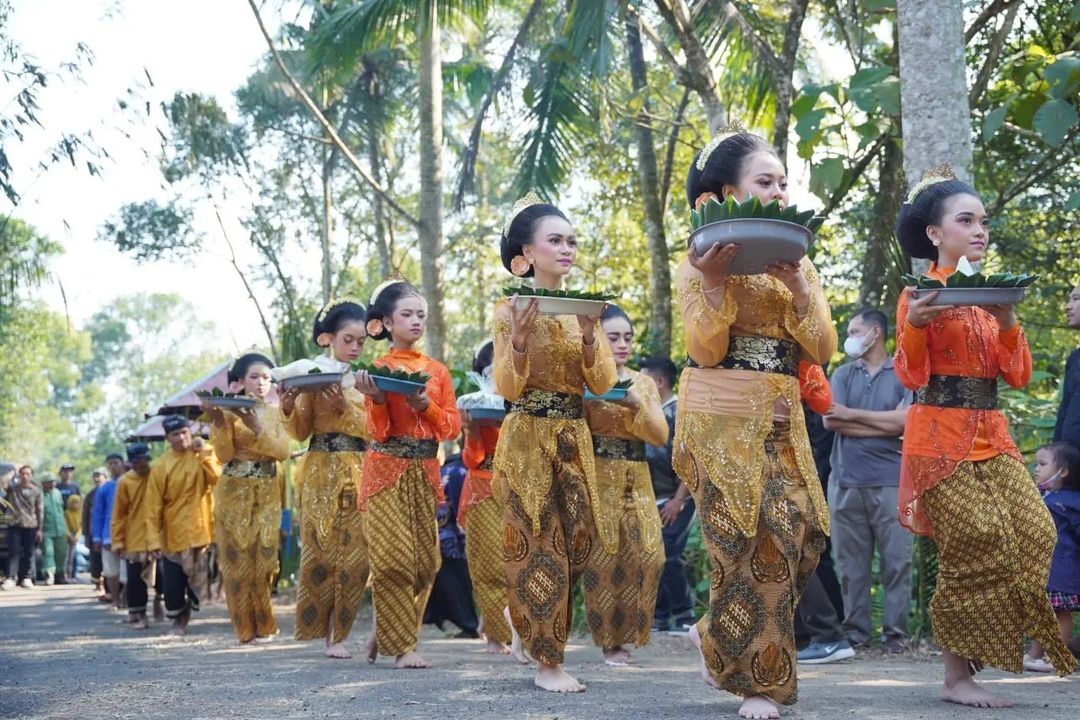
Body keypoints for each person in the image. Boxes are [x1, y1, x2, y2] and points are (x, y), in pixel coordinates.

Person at [894, 165, 1075, 708]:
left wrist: (1010, 318)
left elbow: (1017, 375)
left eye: (983, 221)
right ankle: (956, 678)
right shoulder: (918, 294)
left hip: (993, 436)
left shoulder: (994, 294)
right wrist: (917, 325)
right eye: (966, 220)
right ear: (935, 234)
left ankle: (981, 646)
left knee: (1037, 532)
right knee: (970, 542)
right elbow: (910, 374)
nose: (979, 231)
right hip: (937, 439)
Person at [675, 123, 836, 719]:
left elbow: (820, 349)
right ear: (724, 195)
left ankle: (712, 630)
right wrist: (715, 284)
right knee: (747, 542)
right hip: (717, 417)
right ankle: (758, 684)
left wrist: (799, 290)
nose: (779, 191)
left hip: (781, 416)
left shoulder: (797, 260)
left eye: (782, 182)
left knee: (801, 536)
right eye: (764, 182)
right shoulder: (698, 259)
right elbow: (706, 349)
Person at [491, 194, 617, 692]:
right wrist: (519, 341)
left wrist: (590, 336)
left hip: (573, 437)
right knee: (540, 545)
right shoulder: (509, 308)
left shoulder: (583, 309)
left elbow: (603, 383)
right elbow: (506, 387)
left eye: (571, 241)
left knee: (580, 542)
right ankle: (549, 662)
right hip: (525, 437)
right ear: (527, 251)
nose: (566, 249)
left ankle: (524, 618)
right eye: (555, 240)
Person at [355, 280, 461, 669]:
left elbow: (451, 428)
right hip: (384, 472)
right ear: (386, 322)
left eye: (421, 315)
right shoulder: (375, 371)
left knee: (425, 563)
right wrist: (379, 398)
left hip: (425, 472)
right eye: (407, 314)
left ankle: (382, 631)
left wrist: (426, 406)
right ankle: (402, 648)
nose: (416, 321)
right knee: (392, 561)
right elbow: (377, 431)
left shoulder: (438, 371)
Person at [280, 298, 371, 659]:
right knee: (319, 552)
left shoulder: (364, 381)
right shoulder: (311, 375)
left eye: (361, 341)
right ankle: (319, 629)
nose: (355, 347)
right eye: (348, 339)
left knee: (355, 558)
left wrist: (343, 408)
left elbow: (374, 430)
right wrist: (288, 405)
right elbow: (300, 432)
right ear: (328, 339)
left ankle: (340, 633)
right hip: (318, 469)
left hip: (359, 468)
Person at [821, 309, 912, 653]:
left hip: (892, 482)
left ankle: (896, 636)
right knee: (850, 565)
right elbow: (831, 421)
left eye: (855, 330)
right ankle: (856, 633)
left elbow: (906, 423)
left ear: (876, 332)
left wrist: (851, 416)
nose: (850, 336)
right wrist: (885, 423)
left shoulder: (905, 374)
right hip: (844, 482)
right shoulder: (843, 373)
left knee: (897, 562)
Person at [582, 305, 668, 665]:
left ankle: (630, 633)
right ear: (598, 338)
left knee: (652, 555)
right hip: (597, 473)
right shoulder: (584, 379)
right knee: (602, 558)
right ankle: (609, 643)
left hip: (637, 474)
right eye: (613, 337)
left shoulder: (644, 383)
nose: (622, 345)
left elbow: (660, 436)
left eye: (628, 338)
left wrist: (634, 404)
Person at [204, 352, 291, 645]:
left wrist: (256, 425)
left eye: (267, 377)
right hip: (234, 489)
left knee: (265, 558)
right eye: (254, 377)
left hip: (267, 489)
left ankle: (265, 625)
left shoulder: (276, 412)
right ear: (239, 382)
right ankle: (244, 629)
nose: (261, 383)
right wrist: (217, 419)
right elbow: (224, 455)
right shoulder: (228, 412)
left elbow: (281, 452)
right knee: (236, 559)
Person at [794, 363, 854, 665]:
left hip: (813, 485)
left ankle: (828, 633)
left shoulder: (814, 393)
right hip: (808, 484)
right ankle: (804, 632)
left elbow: (817, 449)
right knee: (809, 556)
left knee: (803, 554)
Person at [458, 341, 515, 656]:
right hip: (482, 486)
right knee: (490, 564)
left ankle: (498, 622)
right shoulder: (474, 402)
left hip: (521, 487)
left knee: (517, 563)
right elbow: (471, 459)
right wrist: (473, 430)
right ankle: (496, 634)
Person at [146, 415, 222, 636]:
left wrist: (205, 453)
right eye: (174, 434)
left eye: (184, 432)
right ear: (167, 438)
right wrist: (152, 539)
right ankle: (178, 622)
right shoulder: (161, 466)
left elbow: (217, 478)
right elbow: (152, 506)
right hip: (173, 534)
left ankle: (187, 615)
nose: (180, 438)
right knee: (174, 583)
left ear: (191, 432)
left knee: (199, 582)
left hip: (201, 532)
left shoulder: (202, 455)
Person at [640, 355, 696, 635]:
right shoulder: (647, 412)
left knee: (669, 554)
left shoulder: (678, 413)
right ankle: (659, 615)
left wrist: (679, 499)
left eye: (644, 379)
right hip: (651, 496)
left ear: (659, 382)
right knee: (652, 554)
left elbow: (689, 459)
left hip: (677, 496)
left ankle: (684, 614)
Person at [1025, 442, 1080, 671]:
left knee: (1060, 612)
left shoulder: (1069, 502)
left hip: (1063, 567)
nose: (1036, 469)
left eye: (1043, 464)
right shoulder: (1044, 497)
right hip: (1044, 567)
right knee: (1043, 610)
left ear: (1063, 471)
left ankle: (1057, 656)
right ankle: (1035, 655)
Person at [423, 450, 480, 639]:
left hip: (438, 535)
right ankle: (469, 625)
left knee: (447, 583)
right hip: (451, 538)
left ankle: (456, 622)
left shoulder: (449, 470)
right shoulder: (459, 473)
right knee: (458, 585)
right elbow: (459, 510)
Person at [111, 443, 161, 629]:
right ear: (131, 464)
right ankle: (140, 616)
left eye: (144, 463)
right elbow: (118, 515)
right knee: (135, 579)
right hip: (134, 538)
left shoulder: (157, 474)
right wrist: (117, 541)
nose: (141, 467)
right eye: (137, 464)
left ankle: (159, 602)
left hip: (159, 535)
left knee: (162, 576)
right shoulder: (125, 482)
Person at [92, 457, 123, 607]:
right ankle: (116, 599)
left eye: (116, 462)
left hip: (129, 535)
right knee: (111, 571)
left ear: (122, 464)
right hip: (108, 535)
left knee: (128, 572)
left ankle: (127, 599)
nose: (113, 466)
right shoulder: (104, 488)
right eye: (110, 463)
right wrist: (97, 537)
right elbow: (97, 513)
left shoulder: (130, 482)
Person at [4, 466, 42, 589]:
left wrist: (40, 529)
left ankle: (27, 577)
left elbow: (40, 510)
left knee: (29, 553)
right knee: (13, 552)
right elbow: (2, 483)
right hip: (14, 524)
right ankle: (11, 577)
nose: (24, 476)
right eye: (22, 474)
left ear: (31, 476)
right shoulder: (13, 490)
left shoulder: (36, 491)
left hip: (30, 524)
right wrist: (11, 474)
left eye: (27, 474)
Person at [1054, 286, 1080, 447]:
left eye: (1076, 299)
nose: (1067, 306)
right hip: (1071, 461)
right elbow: (1065, 411)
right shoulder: (1075, 358)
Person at [83, 467, 109, 598]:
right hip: (95, 533)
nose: (97, 478)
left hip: (109, 532)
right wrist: (86, 534)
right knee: (96, 561)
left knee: (109, 562)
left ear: (106, 476)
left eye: (100, 475)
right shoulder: (90, 495)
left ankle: (110, 589)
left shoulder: (112, 490)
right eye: (95, 476)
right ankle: (98, 585)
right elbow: (86, 516)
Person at [40, 474, 68, 585]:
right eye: (49, 482)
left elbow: (62, 510)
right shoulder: (40, 495)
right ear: (43, 484)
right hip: (47, 529)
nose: (52, 484)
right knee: (48, 552)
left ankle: (60, 575)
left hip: (60, 529)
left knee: (61, 553)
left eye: (53, 481)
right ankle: (49, 574)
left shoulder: (57, 493)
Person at [64, 494, 82, 580]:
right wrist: (69, 535)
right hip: (67, 537)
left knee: (72, 557)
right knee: (66, 557)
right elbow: (65, 525)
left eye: (77, 503)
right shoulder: (66, 513)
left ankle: (71, 575)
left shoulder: (80, 513)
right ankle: (65, 575)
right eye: (73, 503)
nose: (75, 505)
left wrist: (77, 537)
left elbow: (80, 527)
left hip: (75, 537)